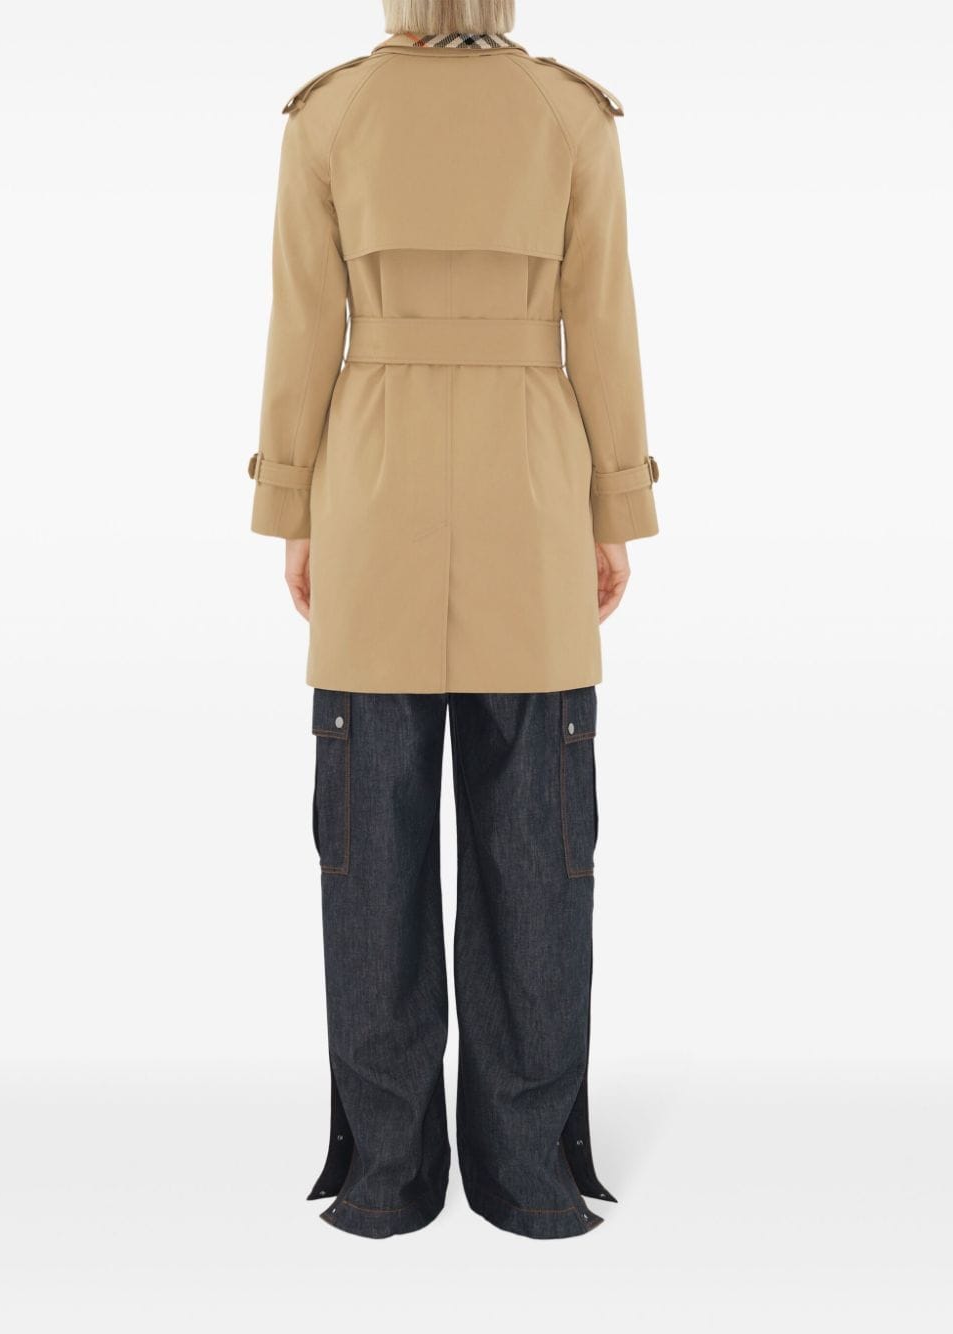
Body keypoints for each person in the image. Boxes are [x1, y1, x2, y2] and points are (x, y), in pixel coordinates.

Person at [247, 0, 660, 1240]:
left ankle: (385, 1173)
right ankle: (529, 1173)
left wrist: (293, 506)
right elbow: (604, 323)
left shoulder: (330, 115)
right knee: (537, 847)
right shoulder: (569, 115)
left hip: (370, 489)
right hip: (530, 489)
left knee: (368, 857)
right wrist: (614, 507)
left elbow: (302, 326)